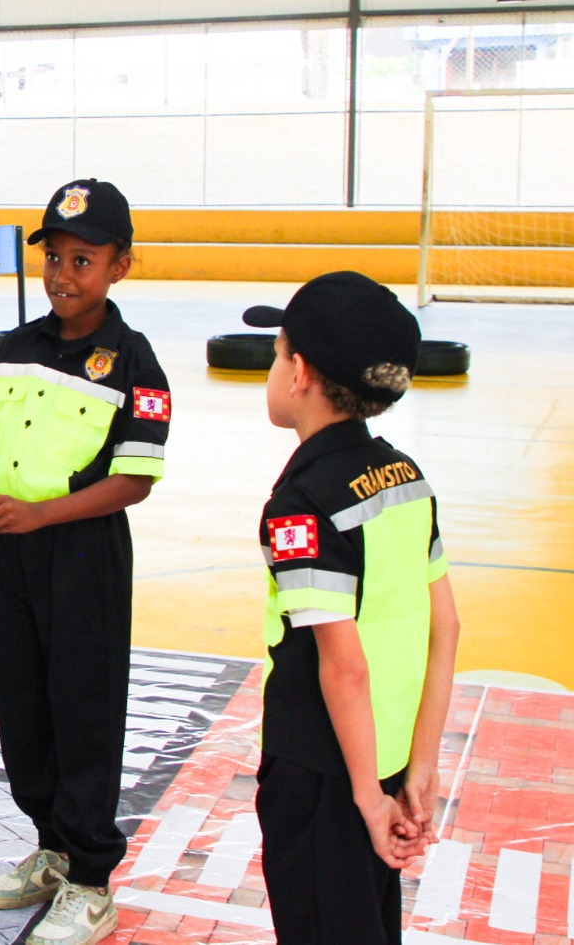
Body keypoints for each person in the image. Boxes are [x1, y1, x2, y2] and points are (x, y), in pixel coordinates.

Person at [0, 179, 170, 945]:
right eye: (54, 258)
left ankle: (91, 883)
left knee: (84, 711)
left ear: (120, 266)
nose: (63, 276)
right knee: (24, 705)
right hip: (7, 552)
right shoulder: (16, 348)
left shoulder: (134, 361)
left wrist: (38, 514)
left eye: (83, 261)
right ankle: (53, 849)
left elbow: (134, 479)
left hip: (83, 553)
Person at [242, 272, 460, 945]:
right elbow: (443, 627)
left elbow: (344, 668)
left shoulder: (301, 503)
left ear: (300, 371)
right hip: (388, 757)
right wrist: (418, 767)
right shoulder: (406, 477)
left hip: (323, 773)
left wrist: (366, 799)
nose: (276, 368)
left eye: (278, 352)